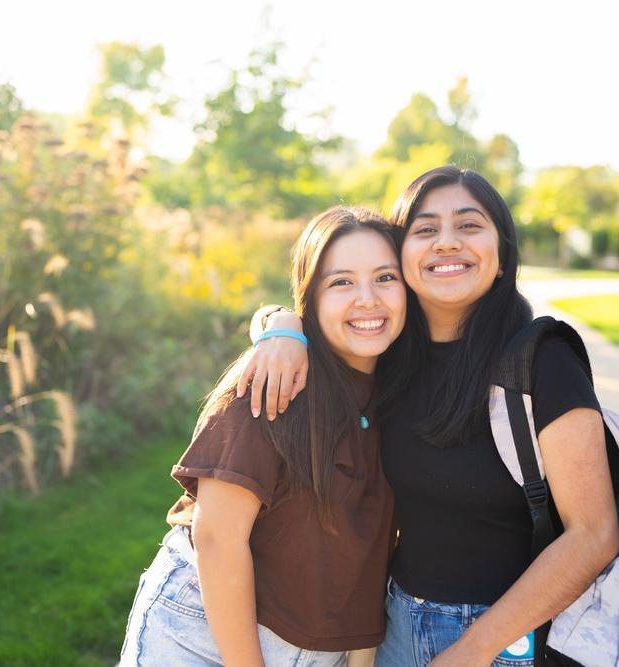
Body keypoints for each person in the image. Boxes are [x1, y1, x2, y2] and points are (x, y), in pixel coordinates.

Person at [241, 166, 619, 666]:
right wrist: (281, 325)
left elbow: (594, 535)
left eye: (469, 225)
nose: (446, 242)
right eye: (425, 229)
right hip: (393, 625)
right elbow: (326, 309)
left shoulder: (543, 359)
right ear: (401, 258)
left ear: (502, 256)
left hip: (504, 639)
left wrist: (472, 651)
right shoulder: (390, 354)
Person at [119, 206, 406, 666]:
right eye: (341, 282)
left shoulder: (401, 390)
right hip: (206, 634)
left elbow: (371, 548)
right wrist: (281, 326)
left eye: (386, 277)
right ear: (310, 297)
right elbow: (217, 540)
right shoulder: (277, 380)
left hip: (318, 647)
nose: (367, 299)